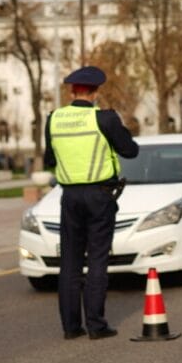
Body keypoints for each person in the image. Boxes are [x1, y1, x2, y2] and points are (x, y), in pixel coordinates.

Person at [44, 66, 139, 340]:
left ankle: (71, 327)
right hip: (99, 195)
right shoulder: (104, 119)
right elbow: (130, 151)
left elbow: (49, 160)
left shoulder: (54, 119)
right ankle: (96, 326)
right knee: (96, 260)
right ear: (96, 92)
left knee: (70, 262)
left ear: (72, 91)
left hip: (70, 197)